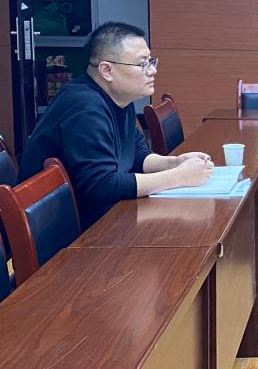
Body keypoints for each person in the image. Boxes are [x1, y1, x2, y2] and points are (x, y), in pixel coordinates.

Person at [18, 21, 213, 228]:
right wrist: (178, 177)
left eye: (151, 61)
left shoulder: (119, 98)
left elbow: (137, 156)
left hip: (102, 219)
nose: (152, 71)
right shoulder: (85, 108)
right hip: (69, 234)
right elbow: (102, 185)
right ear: (106, 70)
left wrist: (174, 162)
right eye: (142, 64)